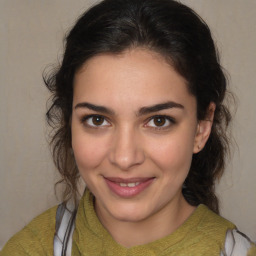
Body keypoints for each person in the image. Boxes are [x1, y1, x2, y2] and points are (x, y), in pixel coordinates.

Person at [1, 0, 255, 255]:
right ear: (70, 123)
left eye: (158, 121)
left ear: (202, 127)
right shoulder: (28, 249)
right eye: (97, 120)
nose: (124, 158)